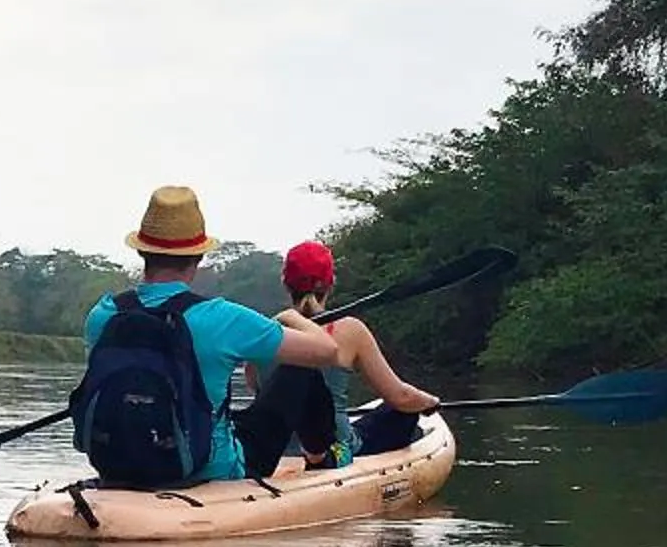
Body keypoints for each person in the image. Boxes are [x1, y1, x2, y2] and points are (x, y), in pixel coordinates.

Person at [74, 188, 427, 487]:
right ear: (198, 255)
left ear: (141, 251)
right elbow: (325, 351)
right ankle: (321, 459)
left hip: (114, 462)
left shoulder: (103, 314)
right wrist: (290, 317)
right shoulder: (222, 317)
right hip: (211, 467)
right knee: (299, 368)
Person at [240, 240, 440, 471]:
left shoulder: (263, 331)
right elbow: (401, 397)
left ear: (285, 284)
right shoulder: (350, 330)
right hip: (337, 449)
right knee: (402, 412)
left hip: (278, 448)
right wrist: (429, 402)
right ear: (331, 282)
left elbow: (257, 388)